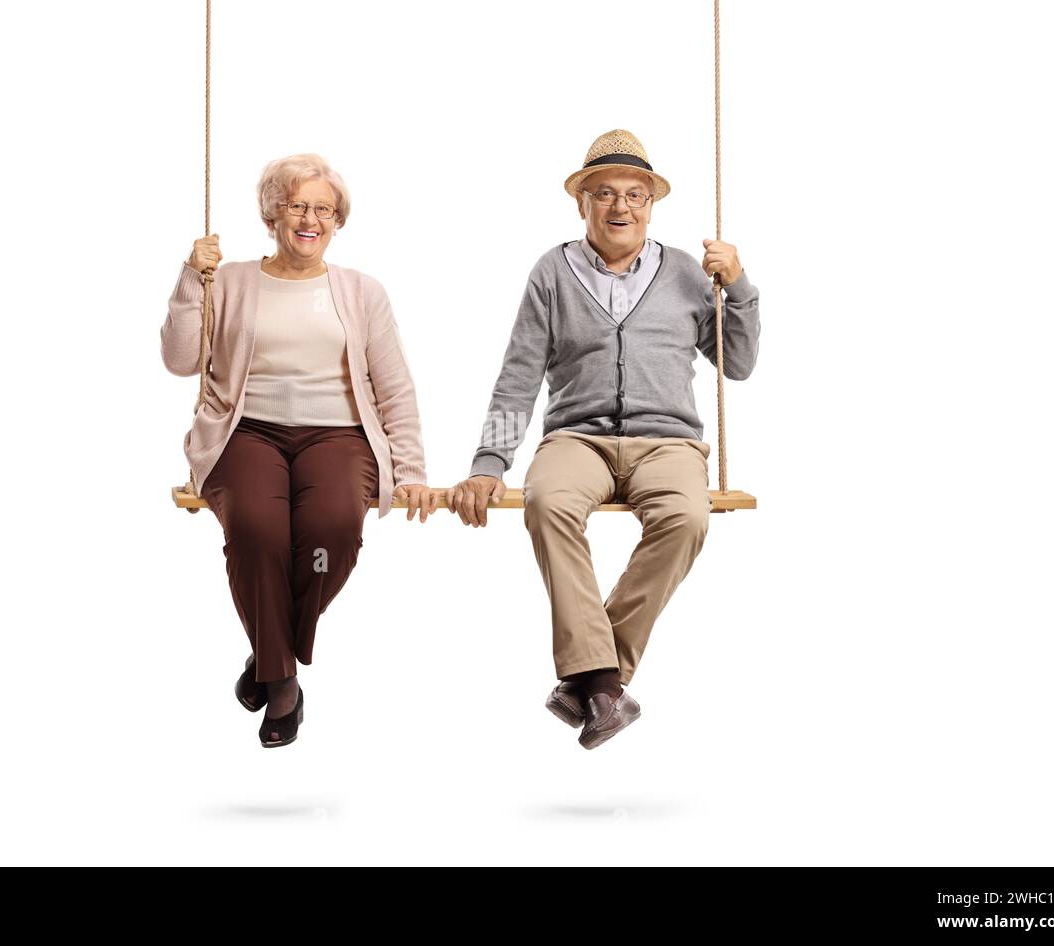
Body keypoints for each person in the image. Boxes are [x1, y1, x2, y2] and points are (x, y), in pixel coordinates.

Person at [447, 130, 761, 749]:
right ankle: (603, 682)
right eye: (605, 194)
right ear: (582, 203)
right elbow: (519, 377)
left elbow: (739, 362)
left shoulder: (690, 275)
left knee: (688, 516)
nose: (621, 207)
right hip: (577, 438)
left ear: (651, 204)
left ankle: (593, 677)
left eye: (636, 195)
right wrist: (489, 463)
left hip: (668, 441)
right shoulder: (552, 272)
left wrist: (741, 286)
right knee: (547, 503)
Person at [161, 153, 437, 748]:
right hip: (246, 433)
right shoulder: (228, 279)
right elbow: (181, 360)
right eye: (297, 206)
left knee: (327, 533)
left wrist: (410, 467)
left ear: (337, 220)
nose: (310, 219)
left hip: (338, 435)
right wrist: (190, 277)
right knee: (259, 531)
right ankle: (282, 678)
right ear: (272, 214)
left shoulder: (362, 292)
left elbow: (393, 386)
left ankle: (269, 647)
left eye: (323, 209)